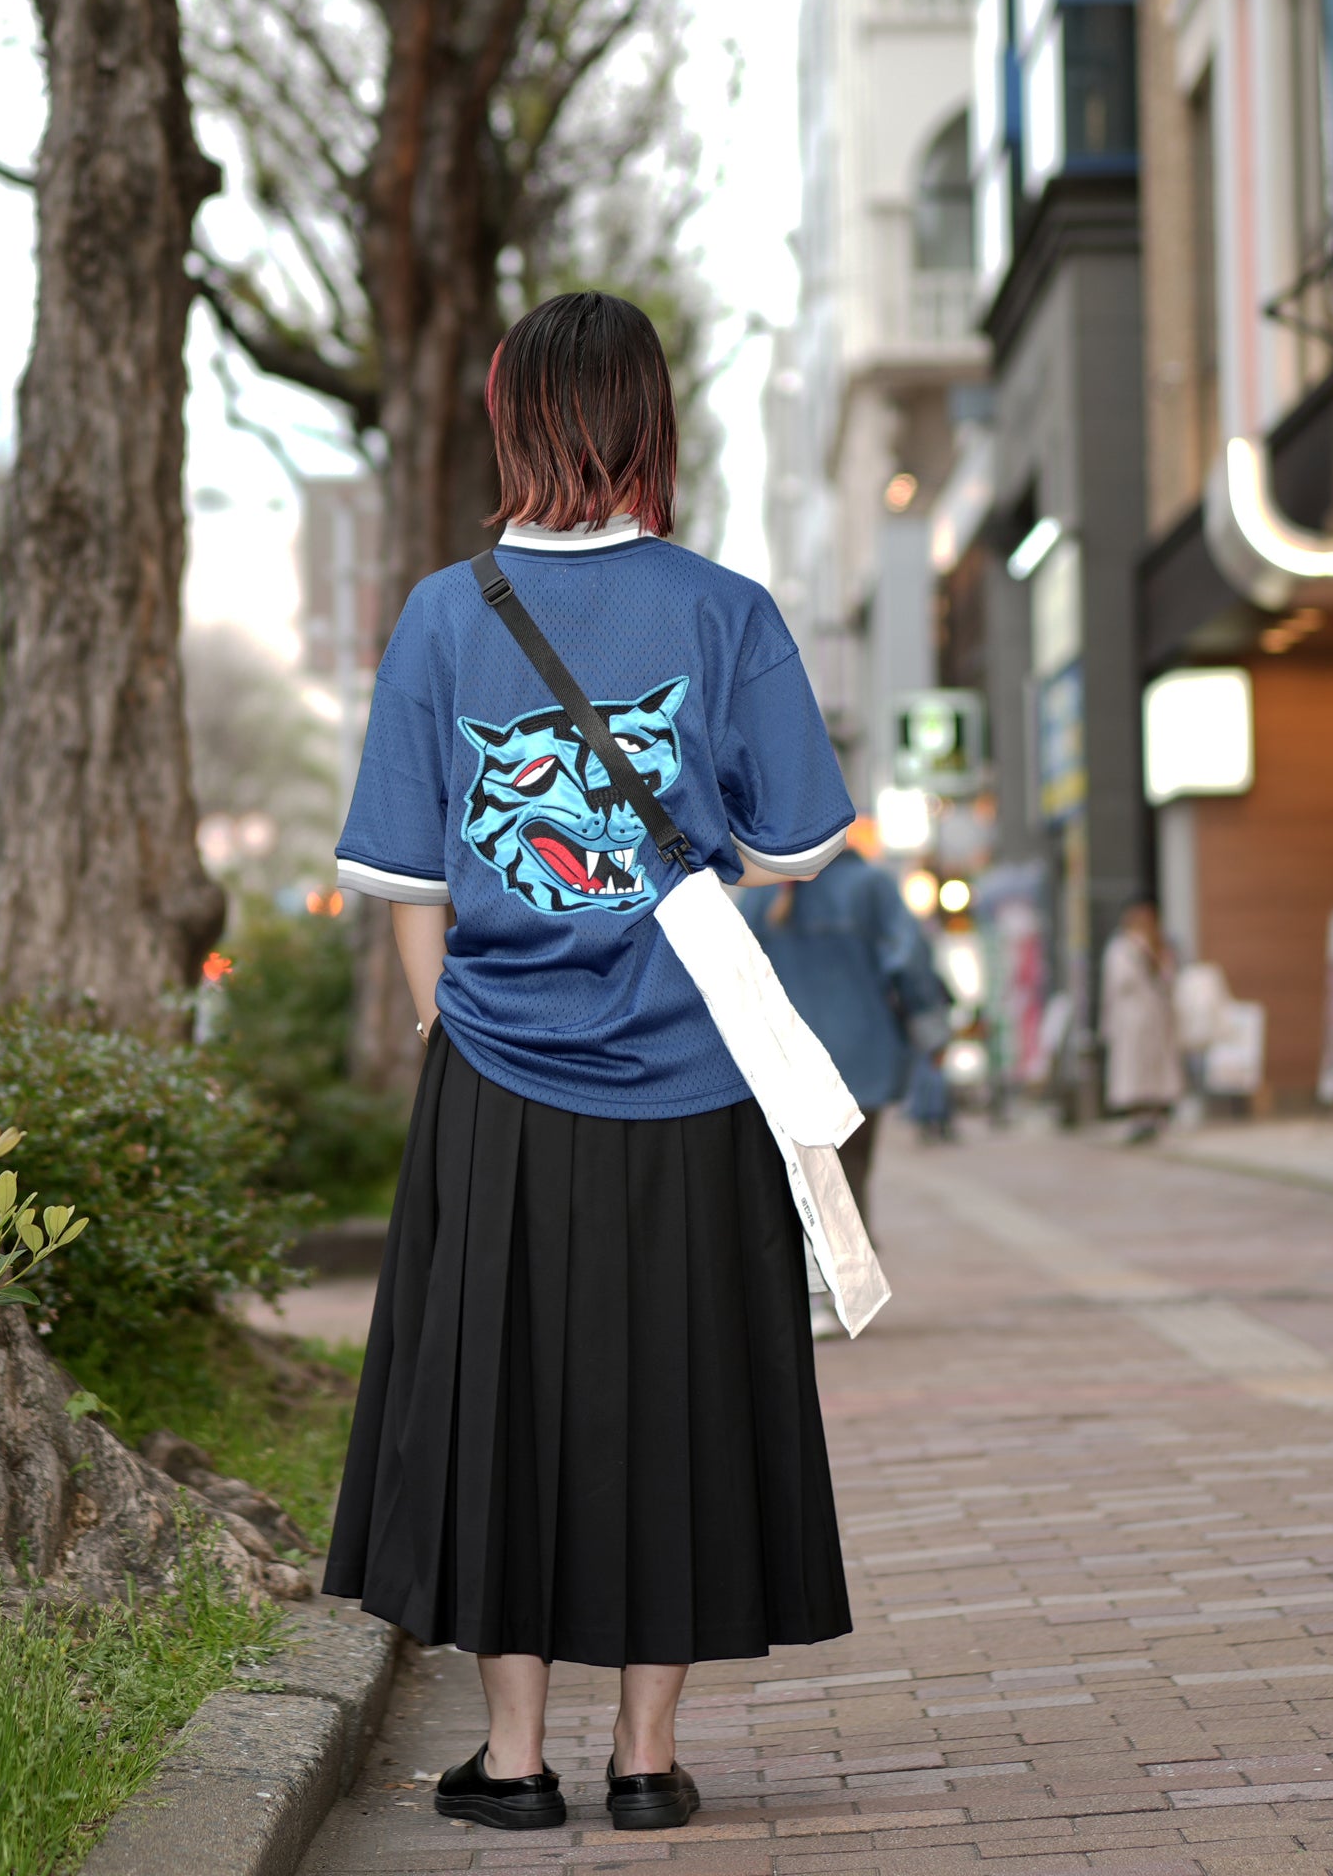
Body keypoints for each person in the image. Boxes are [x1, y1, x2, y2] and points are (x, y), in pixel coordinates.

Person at [325, 292, 858, 1837]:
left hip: (497, 1078)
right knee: (678, 1394)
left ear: (512, 419)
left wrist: (449, 1027)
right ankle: (644, 1759)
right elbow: (798, 846)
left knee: (501, 1402)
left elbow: (407, 883)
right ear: (650, 423)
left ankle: (512, 1762)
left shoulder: (445, 614)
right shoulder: (724, 610)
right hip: (693, 1079)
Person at [738, 841, 950, 1311]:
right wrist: (930, 1030)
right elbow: (909, 962)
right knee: (850, 1172)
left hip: (783, 1058)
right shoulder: (870, 885)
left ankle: (809, 1294)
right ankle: (840, 1293)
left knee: (795, 1178)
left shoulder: (760, 892)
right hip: (861, 1054)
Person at [1100, 899, 1183, 1140]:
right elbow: (1120, 981)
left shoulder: (1161, 945)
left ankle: (1155, 1114)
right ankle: (1137, 1117)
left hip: (1155, 1017)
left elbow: (1169, 978)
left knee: (1156, 1066)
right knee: (1133, 1067)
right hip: (1131, 1018)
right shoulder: (1121, 948)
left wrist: (1155, 958)